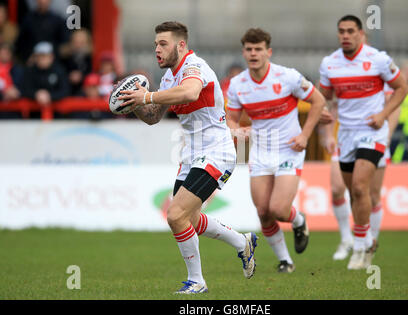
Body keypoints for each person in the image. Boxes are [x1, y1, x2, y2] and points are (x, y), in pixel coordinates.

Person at [117, 21, 257, 294]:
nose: (157, 49)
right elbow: (153, 118)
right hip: (191, 155)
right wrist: (133, 103)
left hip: (217, 153)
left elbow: (191, 91)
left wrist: (147, 95)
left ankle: (197, 282)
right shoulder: (169, 78)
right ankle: (242, 243)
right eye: (156, 44)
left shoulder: (195, 67)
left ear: (181, 45)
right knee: (189, 220)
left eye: (163, 44)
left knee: (175, 215)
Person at [226, 28, 326, 273]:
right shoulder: (238, 85)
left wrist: (305, 135)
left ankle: (298, 219)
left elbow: (319, 101)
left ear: (268, 52)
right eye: (249, 49)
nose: (253, 53)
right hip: (261, 151)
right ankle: (286, 261)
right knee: (263, 212)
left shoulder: (287, 77)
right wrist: (237, 130)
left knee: (279, 209)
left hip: (289, 149)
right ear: (243, 52)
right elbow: (230, 118)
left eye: (258, 49)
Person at [318, 15, 408, 270]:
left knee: (360, 188)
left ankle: (359, 245)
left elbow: (402, 87)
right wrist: (323, 120)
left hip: (373, 132)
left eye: (350, 31)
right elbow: (322, 97)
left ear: (360, 34)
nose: (345, 35)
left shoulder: (378, 59)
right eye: (341, 31)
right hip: (346, 133)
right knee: (352, 192)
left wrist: (382, 115)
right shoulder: (329, 64)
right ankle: (365, 239)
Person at [319, 83, 398, 261]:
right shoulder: (340, 71)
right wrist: (329, 134)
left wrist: (388, 136)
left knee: (371, 193)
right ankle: (347, 239)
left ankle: (371, 241)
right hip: (346, 138)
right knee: (338, 189)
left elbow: (395, 107)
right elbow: (332, 104)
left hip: (374, 137)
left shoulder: (381, 72)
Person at [21, 42, 70, 107]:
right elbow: (24, 89)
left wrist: (50, 96)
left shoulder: (59, 70)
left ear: (51, 56)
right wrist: (36, 94)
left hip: (56, 112)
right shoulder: (29, 71)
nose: (41, 59)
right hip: (33, 113)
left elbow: (65, 90)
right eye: (39, 56)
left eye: (44, 56)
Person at [61, 29, 93, 96]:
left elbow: (92, 73)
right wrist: (69, 75)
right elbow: (60, 72)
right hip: (67, 90)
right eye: (76, 42)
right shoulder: (64, 56)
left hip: (84, 91)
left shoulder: (90, 57)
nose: (78, 45)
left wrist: (82, 76)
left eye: (82, 43)